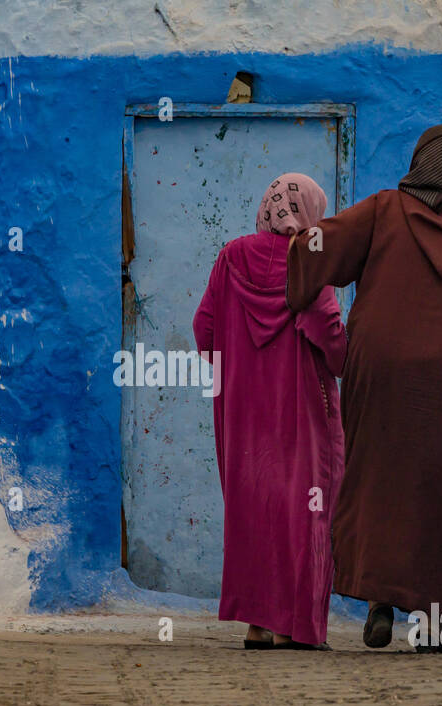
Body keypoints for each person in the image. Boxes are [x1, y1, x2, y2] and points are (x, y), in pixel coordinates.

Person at [286, 125, 442, 651]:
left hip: (381, 368)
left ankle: (380, 603)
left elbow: (320, 249)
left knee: (378, 483)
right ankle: (440, 624)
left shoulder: (383, 209)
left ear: (420, 160)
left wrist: (288, 251)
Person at [193, 174, 347, 650]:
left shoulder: (231, 256)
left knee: (254, 506)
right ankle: (294, 628)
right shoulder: (310, 261)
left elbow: (204, 329)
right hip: (301, 410)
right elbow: (333, 341)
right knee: (306, 509)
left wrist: (241, 366)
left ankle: (258, 624)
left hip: (242, 412)